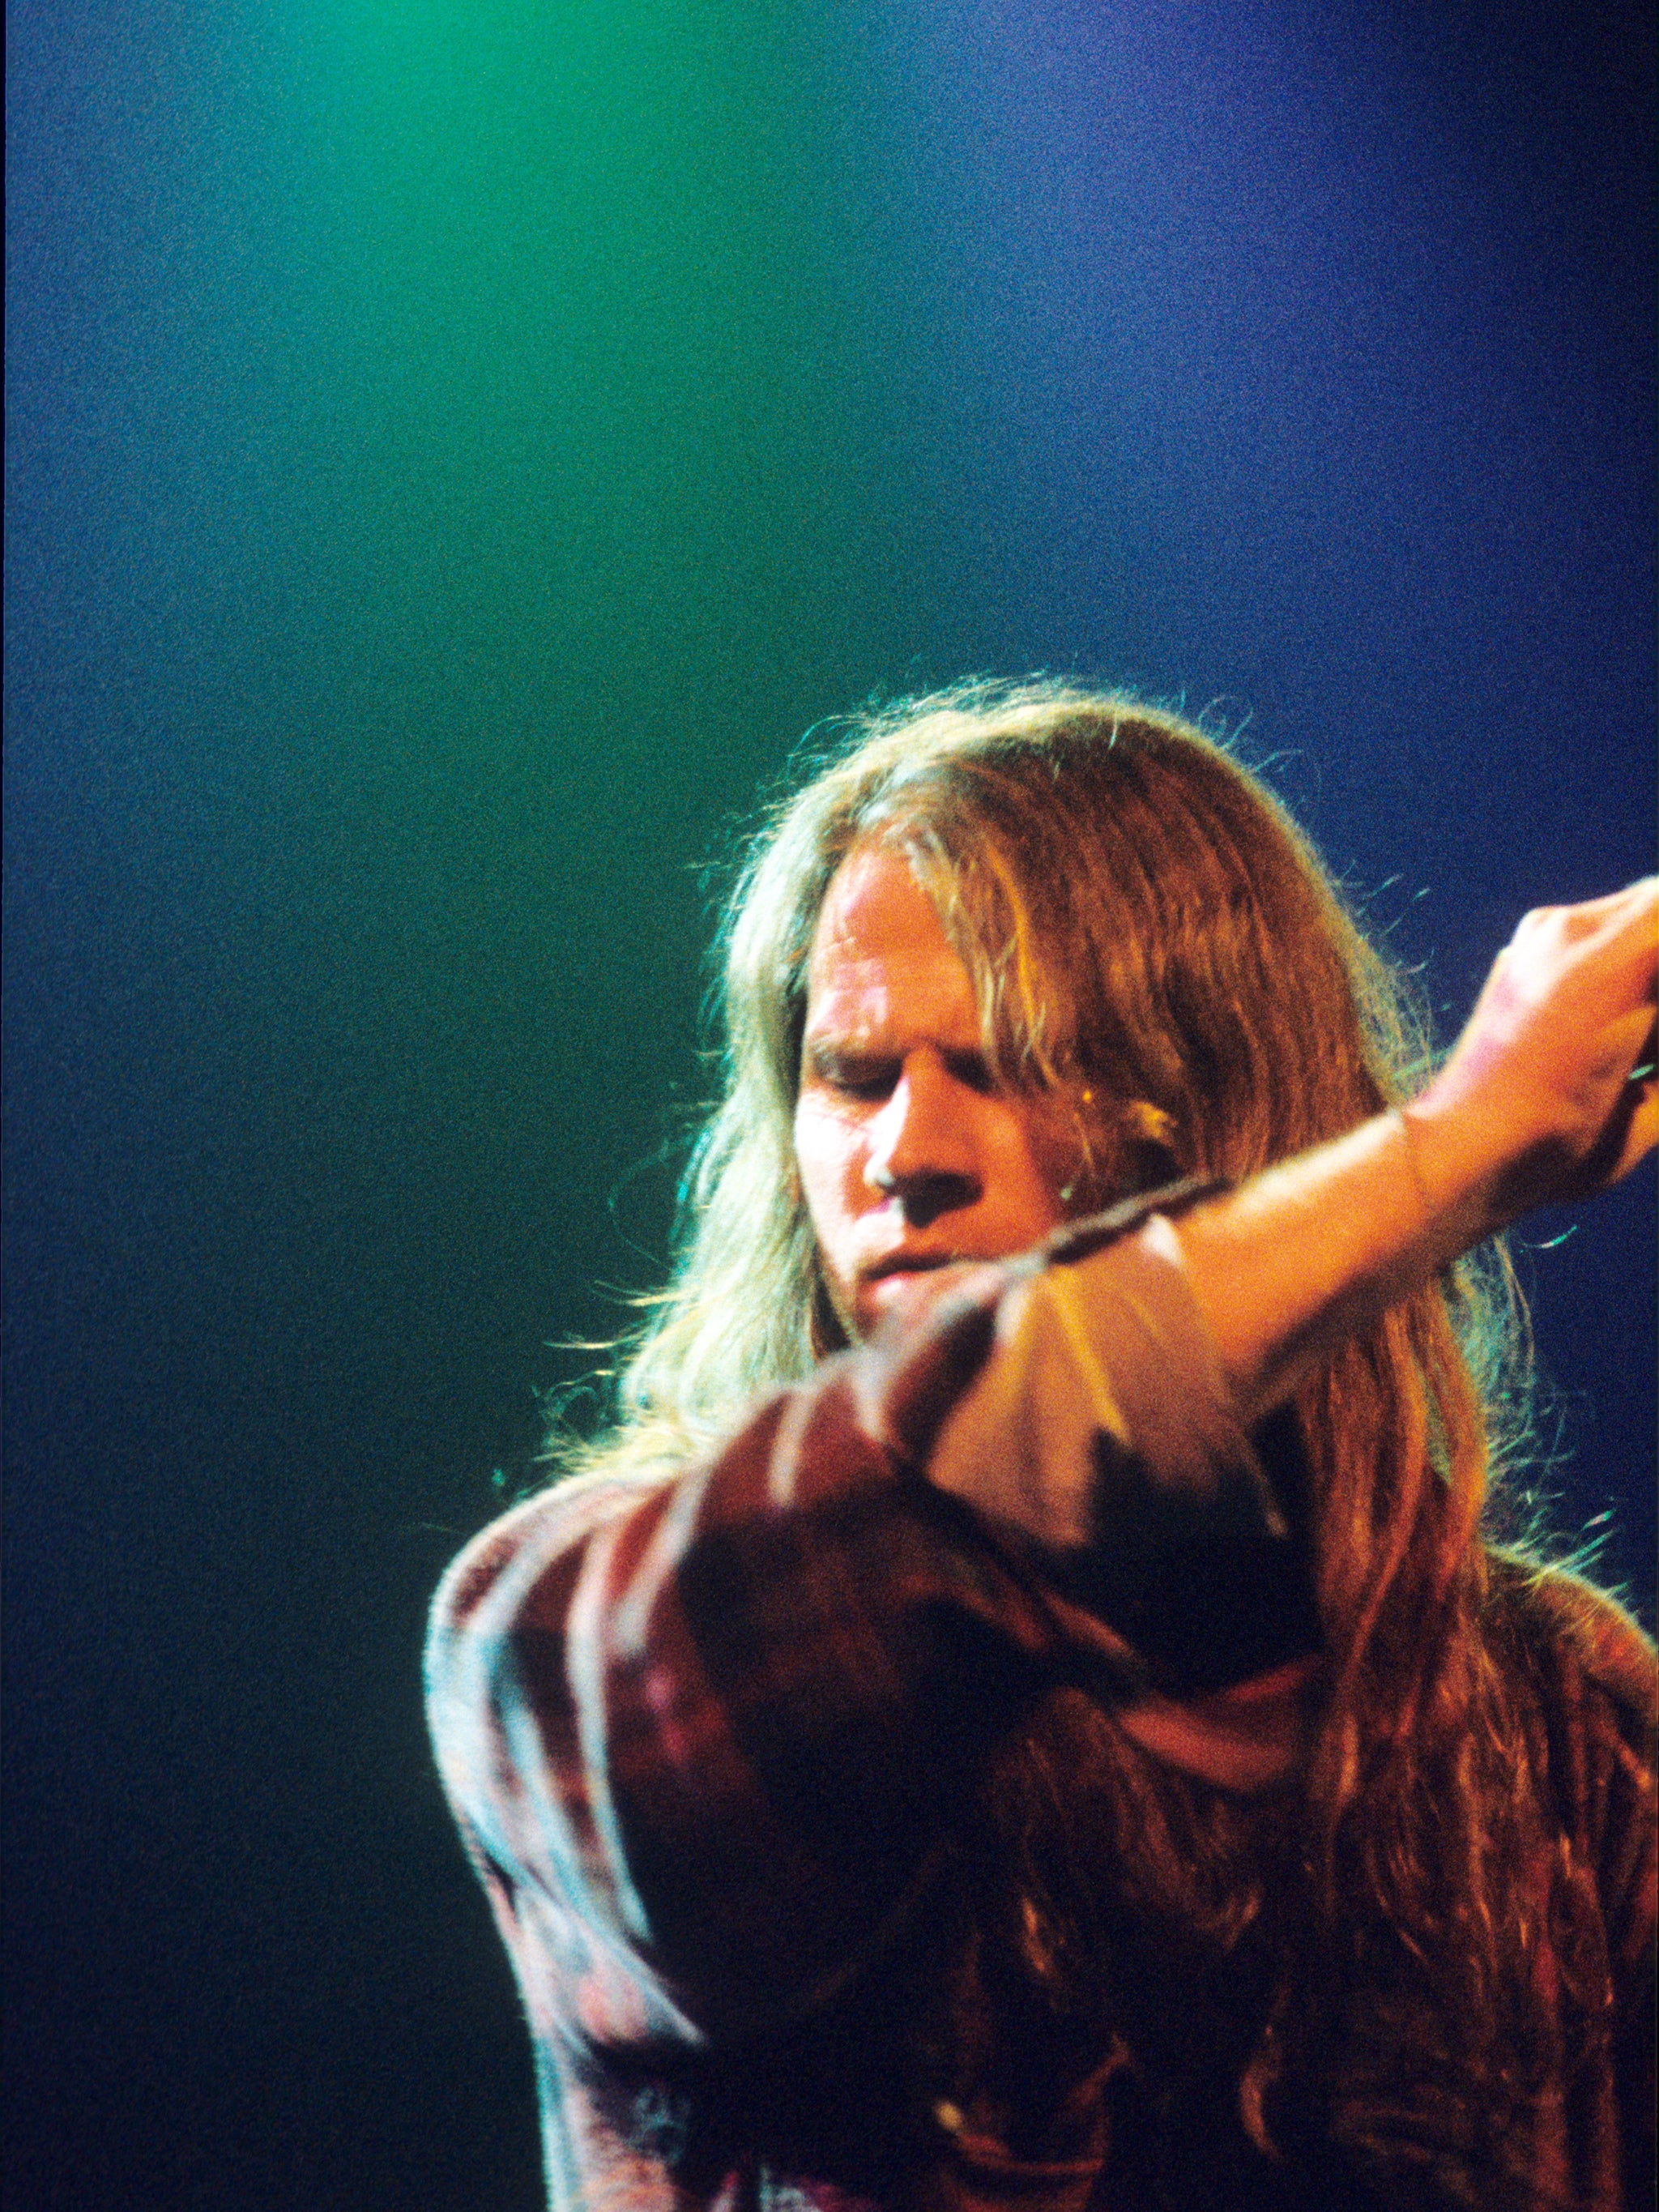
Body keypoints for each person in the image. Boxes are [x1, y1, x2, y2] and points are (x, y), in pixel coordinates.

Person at [427, 684, 1657, 2211]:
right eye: (851, 1075)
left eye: (1011, 1057)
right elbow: (980, 1456)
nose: (906, 1155)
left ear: (1223, 1097)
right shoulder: (558, 1618)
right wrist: (1465, 1141)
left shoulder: (1555, 1716)